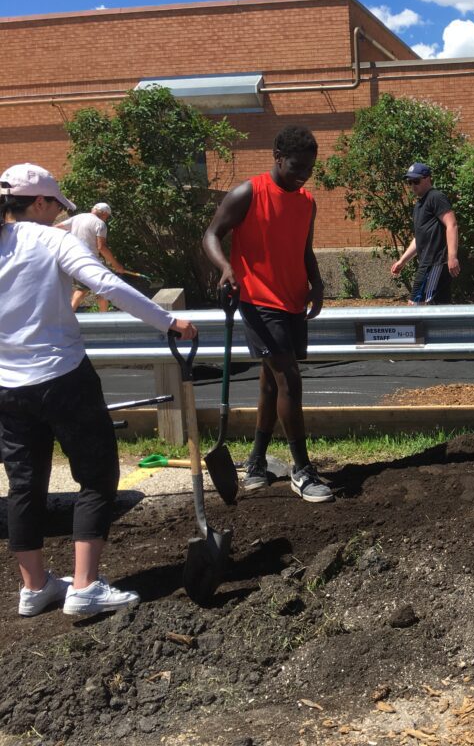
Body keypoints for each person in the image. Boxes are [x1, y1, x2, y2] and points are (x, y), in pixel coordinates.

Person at [0, 163, 197, 617]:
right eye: (55, 205)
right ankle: (84, 586)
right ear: (41, 203)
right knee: (96, 473)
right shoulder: (50, 239)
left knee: (24, 484)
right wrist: (169, 321)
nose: (58, 214)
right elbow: (104, 282)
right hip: (62, 377)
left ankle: (34, 587)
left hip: (9, 388)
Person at [202, 125, 333, 503]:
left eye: (309, 167)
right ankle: (302, 470)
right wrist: (226, 268)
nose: (303, 174)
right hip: (258, 300)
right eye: (296, 166)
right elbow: (211, 234)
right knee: (290, 379)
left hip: (292, 300)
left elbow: (303, 249)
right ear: (277, 157)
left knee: (271, 383)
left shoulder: (307, 201)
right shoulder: (248, 192)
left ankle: (256, 462)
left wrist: (317, 284)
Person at [390, 162, 461, 305]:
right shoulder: (419, 205)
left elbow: (451, 225)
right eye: (409, 182)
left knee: (415, 304)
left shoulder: (436, 197)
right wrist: (402, 261)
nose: (412, 185)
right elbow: (419, 238)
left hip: (435, 262)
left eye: (416, 181)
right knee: (438, 305)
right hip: (427, 262)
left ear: (428, 179)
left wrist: (452, 257)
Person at [56, 202, 125, 311]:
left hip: (75, 260)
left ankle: (66, 318)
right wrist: (116, 265)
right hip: (91, 263)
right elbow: (101, 247)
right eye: (107, 216)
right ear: (103, 213)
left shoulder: (78, 218)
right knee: (103, 289)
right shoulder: (100, 224)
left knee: (81, 290)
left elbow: (56, 227)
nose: (106, 219)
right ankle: (104, 320)